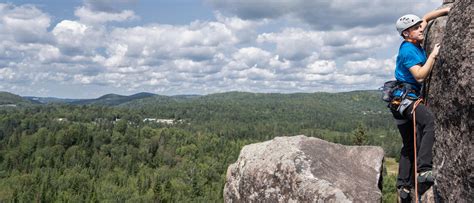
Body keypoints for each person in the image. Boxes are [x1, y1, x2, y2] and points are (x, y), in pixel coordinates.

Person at [392, 7, 450, 199]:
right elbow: (419, 76)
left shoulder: (414, 36)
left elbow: (426, 18)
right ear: (406, 33)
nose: (421, 29)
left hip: (398, 102)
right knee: (429, 122)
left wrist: (447, 9)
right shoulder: (408, 49)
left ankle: (403, 185)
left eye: (420, 27)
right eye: (416, 28)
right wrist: (433, 54)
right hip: (406, 100)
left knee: (409, 144)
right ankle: (424, 170)